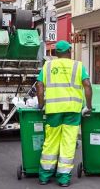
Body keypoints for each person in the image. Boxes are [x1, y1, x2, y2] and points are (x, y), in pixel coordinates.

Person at [36, 40, 92, 187]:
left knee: (51, 141)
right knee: (68, 142)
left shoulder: (48, 66)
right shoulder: (78, 66)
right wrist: (89, 106)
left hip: (53, 110)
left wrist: (41, 104)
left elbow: (39, 85)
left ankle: (44, 176)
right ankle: (63, 179)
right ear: (69, 51)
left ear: (56, 53)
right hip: (73, 110)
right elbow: (87, 85)